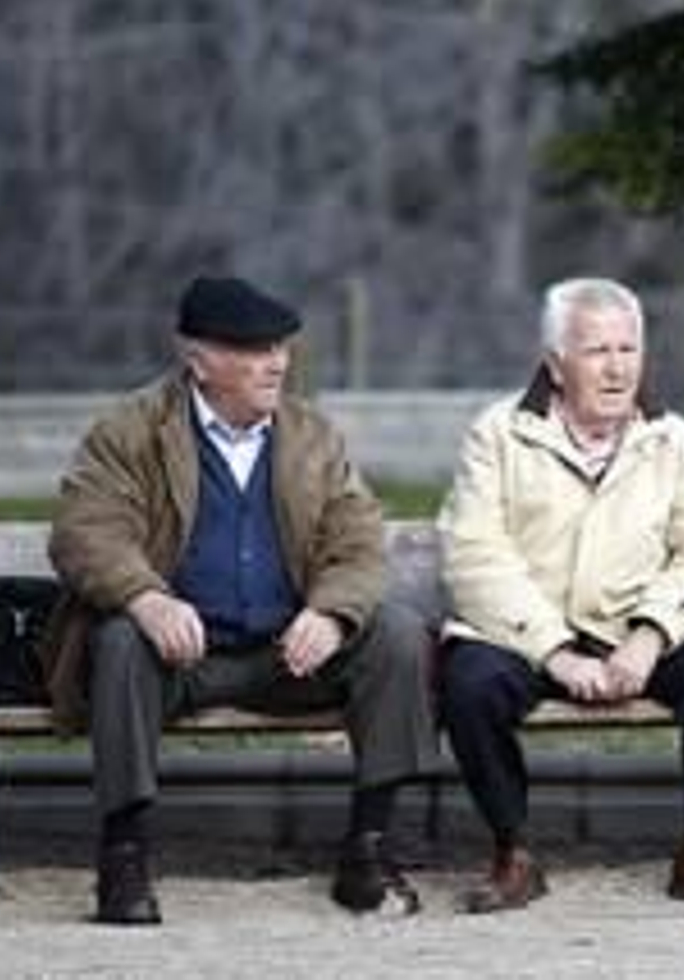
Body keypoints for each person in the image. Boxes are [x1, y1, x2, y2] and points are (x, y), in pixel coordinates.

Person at [46, 275, 439, 924]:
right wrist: (145, 597)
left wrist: (331, 613)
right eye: (255, 350)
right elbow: (86, 530)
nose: (276, 363)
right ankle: (124, 855)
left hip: (291, 656)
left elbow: (360, 542)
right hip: (181, 659)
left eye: (280, 347)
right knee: (119, 641)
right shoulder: (132, 430)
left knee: (395, 633)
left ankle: (369, 850)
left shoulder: (311, 435)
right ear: (198, 361)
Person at [436, 276, 684, 913]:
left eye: (628, 349)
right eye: (597, 350)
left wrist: (650, 636)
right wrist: (555, 652)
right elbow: (474, 555)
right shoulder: (498, 434)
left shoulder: (673, 440)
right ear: (556, 364)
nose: (617, 367)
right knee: (469, 681)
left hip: (633, 631)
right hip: (528, 632)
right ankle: (514, 853)